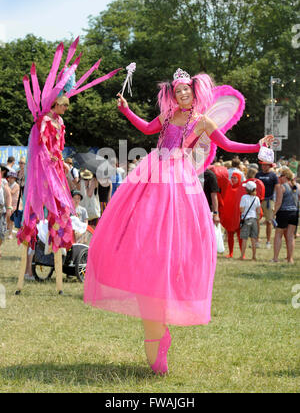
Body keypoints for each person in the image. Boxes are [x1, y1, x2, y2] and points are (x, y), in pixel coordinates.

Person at [84, 67, 273, 375]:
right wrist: (127, 110)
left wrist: (257, 145)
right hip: (152, 171)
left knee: (170, 228)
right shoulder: (169, 117)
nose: (182, 95)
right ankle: (143, 269)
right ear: (172, 95)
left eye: (186, 90)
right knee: (142, 222)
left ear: (195, 93)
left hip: (177, 177)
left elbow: (228, 145)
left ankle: (167, 281)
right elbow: (146, 129)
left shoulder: (202, 122)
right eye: (177, 91)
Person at [15, 37, 120, 294]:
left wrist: (60, 160)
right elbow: (43, 144)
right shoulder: (46, 121)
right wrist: (52, 157)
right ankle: (29, 266)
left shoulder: (61, 123)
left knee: (62, 210)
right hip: (45, 170)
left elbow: (58, 147)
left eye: (65, 105)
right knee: (40, 210)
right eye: (60, 104)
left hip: (57, 169)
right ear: (55, 102)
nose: (63, 108)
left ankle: (57, 253)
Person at [272, 168, 298, 263]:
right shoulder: (298, 186)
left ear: (285, 177)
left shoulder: (281, 187)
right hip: (294, 213)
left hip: (283, 213)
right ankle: (290, 258)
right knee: (290, 236)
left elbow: (278, 202)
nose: (279, 178)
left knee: (278, 235)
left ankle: (275, 258)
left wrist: (273, 213)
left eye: (281, 176)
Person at [255, 161, 279, 249]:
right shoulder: (258, 174)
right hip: (258, 200)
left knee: (269, 221)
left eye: (265, 165)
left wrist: (276, 201)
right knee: (256, 221)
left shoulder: (273, 175)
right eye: (262, 165)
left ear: (269, 166)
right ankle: (257, 240)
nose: (263, 166)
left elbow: (277, 188)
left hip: (269, 200)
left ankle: (268, 241)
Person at [239, 181, 261, 261]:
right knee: (253, 238)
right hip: (254, 219)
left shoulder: (244, 197)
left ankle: (242, 256)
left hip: (246, 218)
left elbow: (242, 209)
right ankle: (254, 256)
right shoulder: (257, 198)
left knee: (244, 238)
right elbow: (258, 211)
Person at [0, 168, 12, 258]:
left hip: (1, 211)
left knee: (1, 233)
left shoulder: (3, 182)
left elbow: (8, 195)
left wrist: (9, 208)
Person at [6, 171, 21, 239]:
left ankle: (11, 234)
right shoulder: (8, 184)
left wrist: (5, 186)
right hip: (10, 204)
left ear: (15, 178)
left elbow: (12, 192)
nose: (10, 178)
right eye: (9, 177)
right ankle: (9, 230)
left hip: (16, 205)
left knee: (13, 219)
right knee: (9, 218)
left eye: (12, 177)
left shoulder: (16, 185)